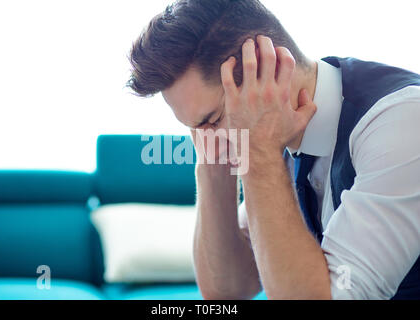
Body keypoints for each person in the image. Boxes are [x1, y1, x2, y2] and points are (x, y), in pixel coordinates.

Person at [126, 0, 420, 299]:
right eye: (195, 128)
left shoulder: (402, 118)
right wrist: (212, 167)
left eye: (212, 120)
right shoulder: (276, 141)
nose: (208, 138)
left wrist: (258, 156)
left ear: (270, 68)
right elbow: (229, 291)